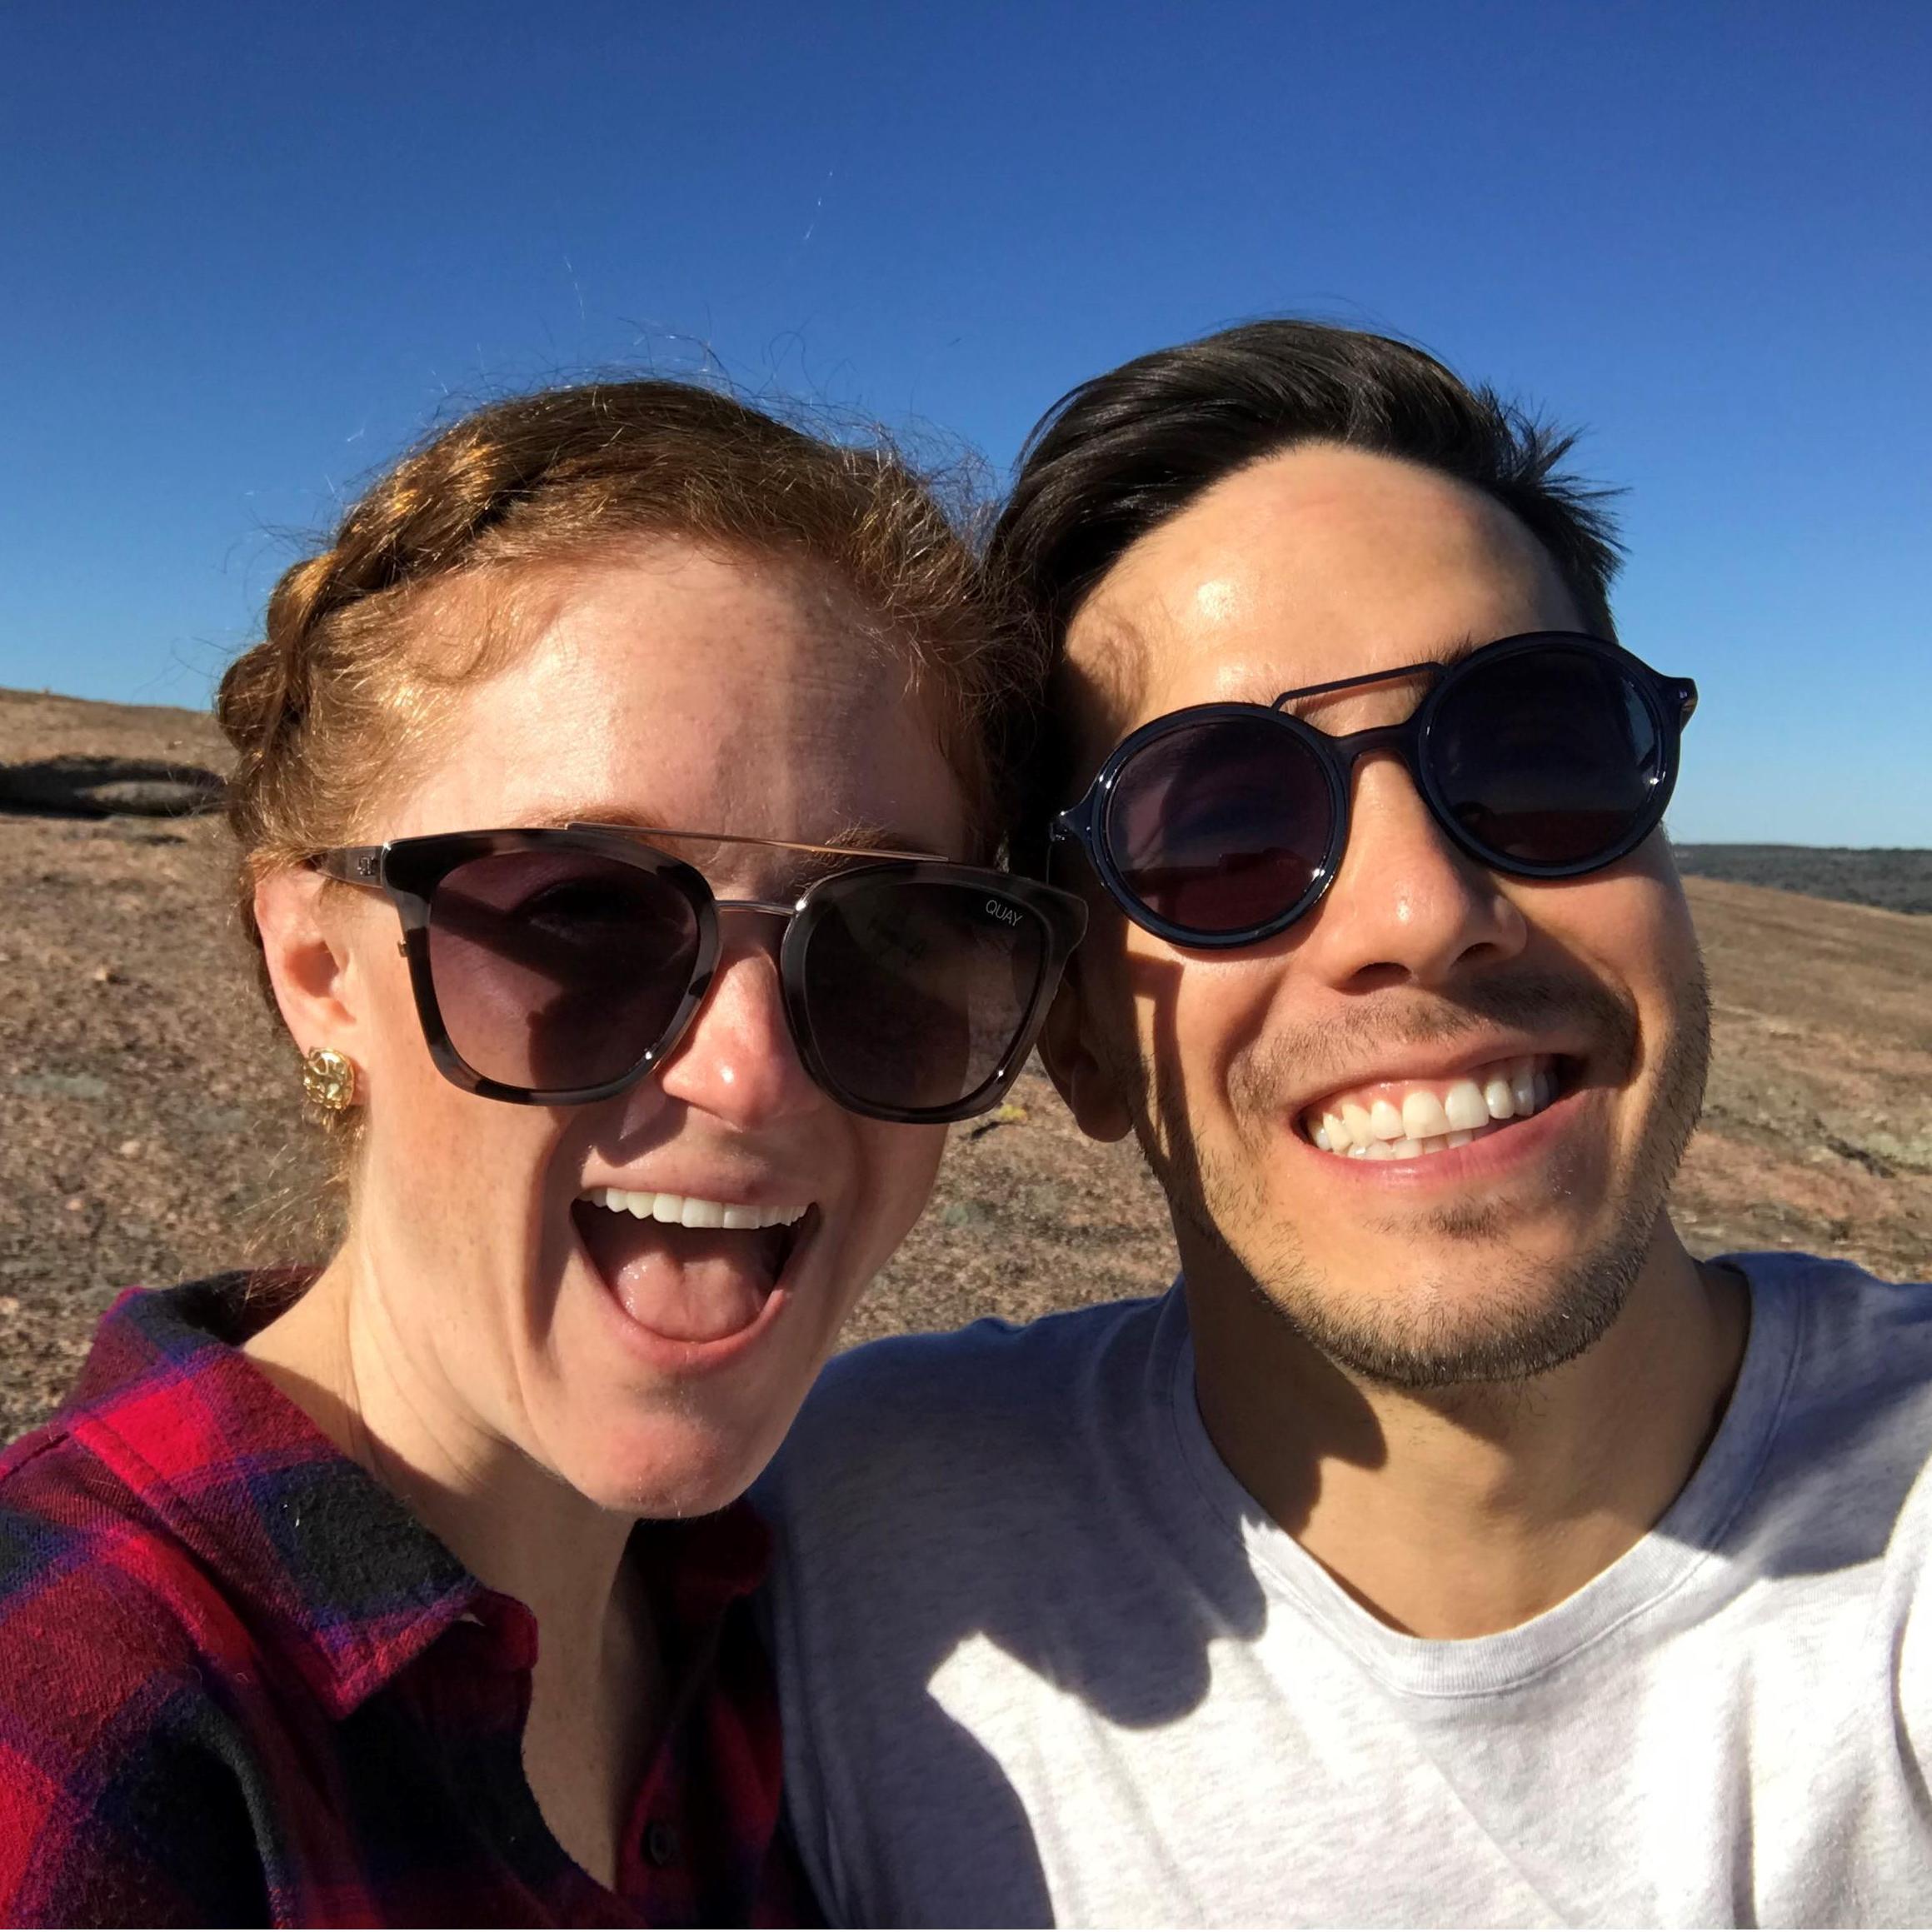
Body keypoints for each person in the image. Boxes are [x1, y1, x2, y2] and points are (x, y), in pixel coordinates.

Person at [758, 321, 1932, 1925]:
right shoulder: (847, 1538)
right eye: (1218, 823)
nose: (1420, 907)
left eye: (1537, 749)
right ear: (1081, 1047)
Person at [0, 379, 1082, 1925]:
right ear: (319, 970)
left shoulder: (770, 1634)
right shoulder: (73, 1721)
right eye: (584, 913)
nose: (753, 1072)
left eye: (891, 936)